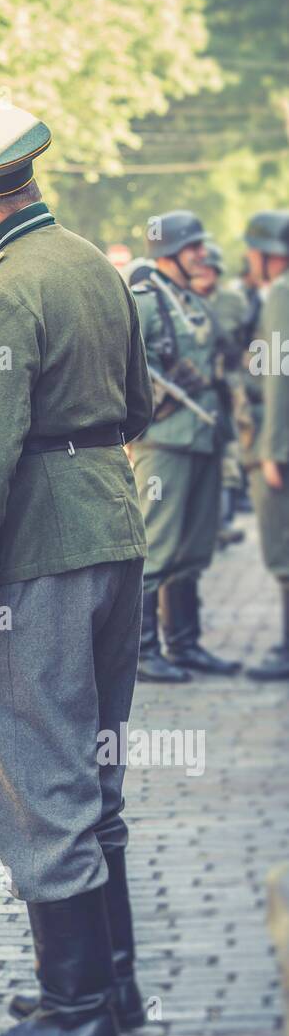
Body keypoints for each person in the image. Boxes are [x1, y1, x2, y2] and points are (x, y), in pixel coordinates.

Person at [0, 91, 153, 1036]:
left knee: (37, 773)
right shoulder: (93, 265)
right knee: (91, 763)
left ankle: (71, 1014)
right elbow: (136, 403)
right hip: (111, 526)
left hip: (33, 553)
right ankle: (111, 981)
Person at [127, 212, 241, 682]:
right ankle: (143, 650)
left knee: (194, 548)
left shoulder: (193, 299)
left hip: (204, 438)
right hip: (166, 442)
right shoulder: (146, 301)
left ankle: (185, 643)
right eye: (192, 246)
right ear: (169, 251)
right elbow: (126, 361)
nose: (201, 253)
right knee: (157, 545)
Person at [236, 210, 289, 680]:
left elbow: (277, 376)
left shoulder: (282, 294)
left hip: (279, 446)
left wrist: (273, 450)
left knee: (282, 548)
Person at [189, 238, 247, 547]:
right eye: (200, 269)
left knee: (228, 455)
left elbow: (245, 341)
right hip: (193, 393)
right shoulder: (179, 300)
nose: (204, 273)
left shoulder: (232, 301)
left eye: (209, 268)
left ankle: (221, 523)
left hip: (228, 387)